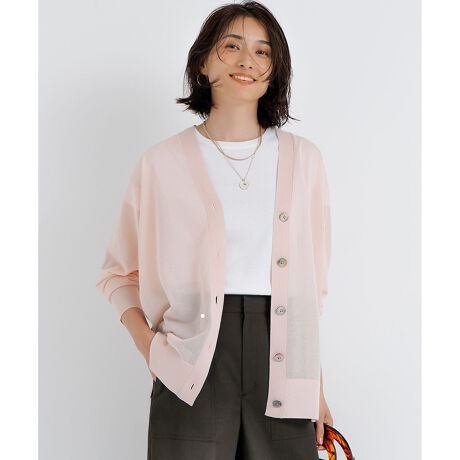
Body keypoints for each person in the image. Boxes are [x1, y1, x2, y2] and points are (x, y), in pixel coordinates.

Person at [96, 1, 334, 459]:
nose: (248, 61)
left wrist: (315, 386)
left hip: (284, 365)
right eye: (232, 46)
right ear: (204, 61)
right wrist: (151, 349)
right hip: (190, 363)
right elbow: (117, 274)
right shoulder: (161, 163)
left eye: (263, 52)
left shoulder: (305, 160)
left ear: (275, 70)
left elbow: (310, 289)